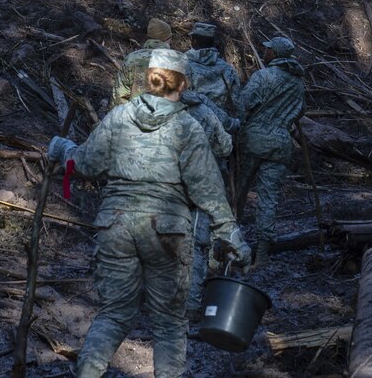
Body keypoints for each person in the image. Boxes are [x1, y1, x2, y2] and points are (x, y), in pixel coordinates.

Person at [48, 50, 250, 378]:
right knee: (170, 325)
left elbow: (85, 164)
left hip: (116, 226)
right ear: (183, 83)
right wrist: (230, 232)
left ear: (149, 77)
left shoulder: (119, 117)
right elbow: (207, 189)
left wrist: (62, 149)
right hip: (168, 232)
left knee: (113, 316)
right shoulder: (187, 127)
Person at [235, 36, 305, 269]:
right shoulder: (298, 83)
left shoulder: (263, 77)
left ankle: (229, 244)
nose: (264, 53)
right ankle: (262, 255)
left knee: (237, 192)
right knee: (268, 199)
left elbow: (243, 105)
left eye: (268, 50)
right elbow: (299, 112)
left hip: (253, 140)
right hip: (280, 144)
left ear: (275, 54)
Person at [181, 88, 237, 315]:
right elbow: (225, 147)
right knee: (196, 245)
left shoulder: (152, 110)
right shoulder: (204, 112)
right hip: (201, 185)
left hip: (159, 188)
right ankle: (192, 306)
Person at [185, 22, 242, 122]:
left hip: (193, 123)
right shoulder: (228, 69)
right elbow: (237, 101)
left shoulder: (183, 65)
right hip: (220, 123)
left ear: (194, 41)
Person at [110, 17, 172, 106]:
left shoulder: (131, 58)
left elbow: (119, 96)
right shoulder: (176, 61)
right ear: (167, 38)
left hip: (135, 116)